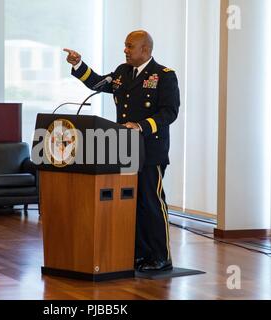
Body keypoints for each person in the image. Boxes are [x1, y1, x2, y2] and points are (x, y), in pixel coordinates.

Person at [64, 30, 180, 272]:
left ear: (145, 50)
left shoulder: (163, 76)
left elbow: (170, 112)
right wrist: (79, 64)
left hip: (151, 150)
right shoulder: (122, 72)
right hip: (125, 149)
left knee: (151, 202)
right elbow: (97, 82)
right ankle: (139, 254)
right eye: (125, 46)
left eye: (129, 46)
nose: (125, 50)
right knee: (131, 203)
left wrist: (140, 126)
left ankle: (161, 256)